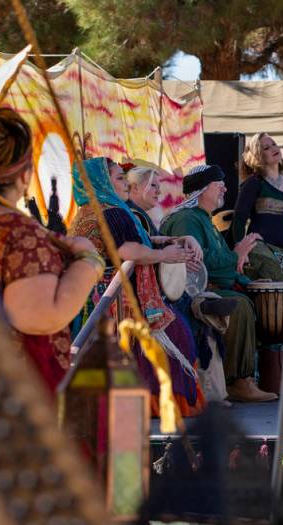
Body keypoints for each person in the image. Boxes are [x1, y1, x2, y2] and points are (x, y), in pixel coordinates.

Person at [0, 108, 103, 394]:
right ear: (25, 176)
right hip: (2, 397)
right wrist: (88, 261)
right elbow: (41, 317)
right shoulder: (17, 233)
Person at [69, 157, 205, 417]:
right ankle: (161, 405)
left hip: (92, 298)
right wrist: (165, 255)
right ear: (100, 182)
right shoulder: (111, 211)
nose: (125, 183)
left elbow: (138, 239)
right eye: (119, 178)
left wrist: (174, 240)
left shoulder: (87, 212)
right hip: (118, 300)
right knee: (177, 333)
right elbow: (127, 249)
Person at [161, 164, 278, 403]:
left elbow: (226, 263)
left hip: (214, 287)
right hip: (190, 294)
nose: (225, 187)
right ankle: (237, 380)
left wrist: (249, 281)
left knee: (248, 297)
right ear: (202, 190)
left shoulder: (205, 221)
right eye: (218, 184)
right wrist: (237, 253)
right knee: (240, 305)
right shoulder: (186, 220)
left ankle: (244, 378)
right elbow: (203, 263)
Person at [231, 133, 283, 281]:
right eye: (266, 148)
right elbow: (239, 218)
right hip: (261, 250)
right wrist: (241, 250)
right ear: (259, 157)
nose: (273, 148)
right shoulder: (254, 183)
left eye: (274, 144)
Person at [126, 165, 167, 235]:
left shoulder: (136, 213)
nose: (159, 192)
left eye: (159, 187)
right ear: (135, 187)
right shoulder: (130, 215)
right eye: (153, 185)